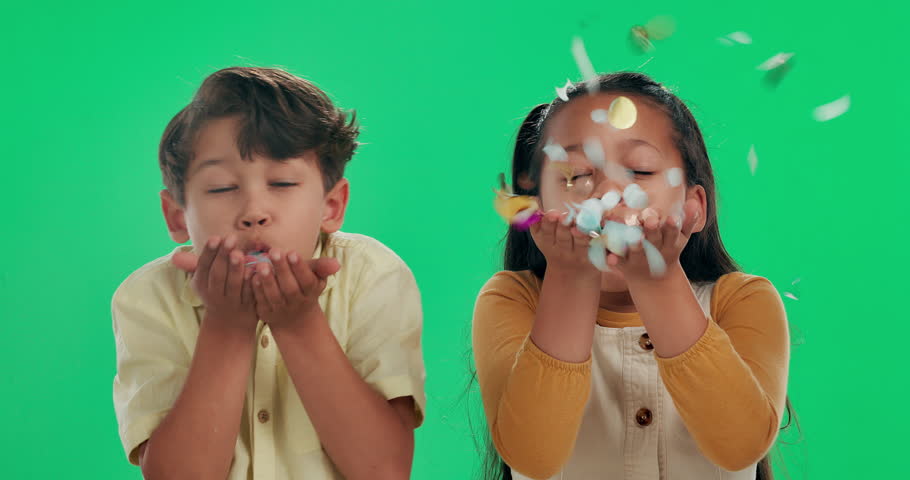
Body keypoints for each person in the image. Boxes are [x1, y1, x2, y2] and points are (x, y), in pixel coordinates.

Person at [473, 72, 792, 480]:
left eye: (640, 172)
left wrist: (657, 280)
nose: (609, 192)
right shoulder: (513, 300)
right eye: (575, 177)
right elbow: (532, 457)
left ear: (694, 209)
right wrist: (571, 278)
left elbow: (741, 446)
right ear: (533, 211)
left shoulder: (743, 300)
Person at [112, 66, 425, 480]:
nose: (254, 212)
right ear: (177, 216)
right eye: (222, 188)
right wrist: (226, 325)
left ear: (332, 205)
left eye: (280, 182)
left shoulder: (373, 275)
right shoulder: (146, 297)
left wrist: (298, 323)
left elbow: (384, 470)